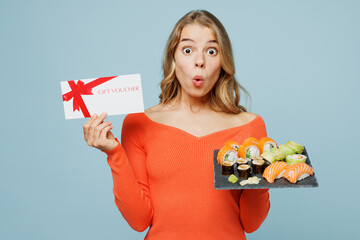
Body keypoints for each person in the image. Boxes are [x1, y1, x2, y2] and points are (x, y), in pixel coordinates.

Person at [83, 10, 270, 239]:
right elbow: (139, 220)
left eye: (211, 51)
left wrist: (260, 171)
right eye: (188, 50)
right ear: (173, 58)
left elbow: (251, 223)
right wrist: (113, 152)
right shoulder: (139, 123)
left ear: (223, 63)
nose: (199, 61)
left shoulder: (250, 127)